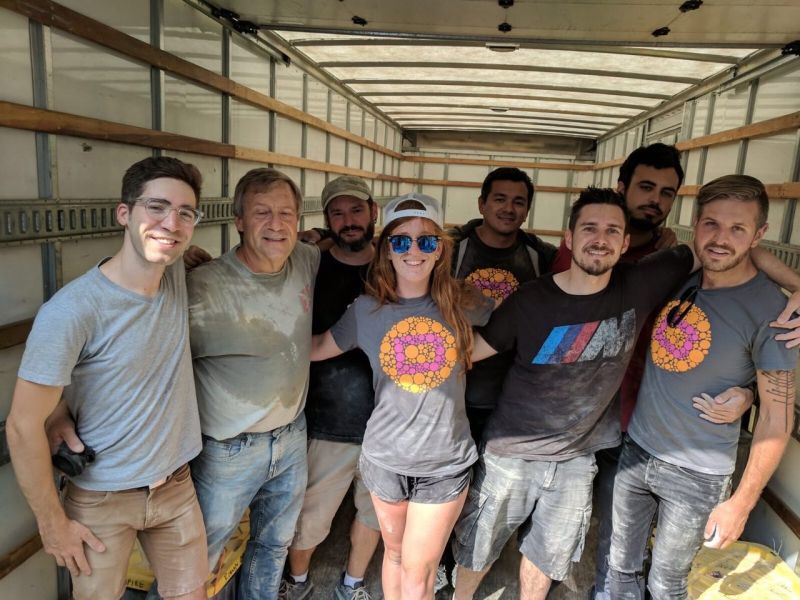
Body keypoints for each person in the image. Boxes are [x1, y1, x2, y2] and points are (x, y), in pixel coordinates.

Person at [452, 187, 699, 600]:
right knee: (478, 548)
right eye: (589, 228)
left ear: (625, 242)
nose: (600, 239)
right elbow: (471, 352)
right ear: (568, 238)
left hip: (577, 460)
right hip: (512, 452)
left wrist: (795, 287)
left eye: (612, 230)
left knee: (547, 557)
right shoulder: (530, 300)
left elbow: (716, 244)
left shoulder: (640, 283)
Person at [552, 143, 753, 600]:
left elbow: (740, 259)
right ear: (622, 187)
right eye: (645, 187)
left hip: (636, 419)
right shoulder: (582, 251)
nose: (655, 200)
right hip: (572, 420)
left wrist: (750, 390)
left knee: (620, 534)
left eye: (667, 193)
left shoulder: (681, 260)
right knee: (560, 522)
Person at [7, 156, 208, 600]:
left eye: (185, 212)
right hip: (101, 498)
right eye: (156, 207)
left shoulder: (176, 272)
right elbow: (22, 426)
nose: (171, 223)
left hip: (176, 487)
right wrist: (52, 524)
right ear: (124, 213)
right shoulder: (72, 311)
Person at [608, 175, 799, 599]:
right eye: (711, 224)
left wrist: (741, 504)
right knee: (620, 570)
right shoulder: (684, 274)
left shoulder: (774, 312)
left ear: (759, 234)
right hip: (637, 449)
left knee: (666, 584)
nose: (721, 239)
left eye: (738, 229)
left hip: (697, 474)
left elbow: (776, 418)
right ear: (695, 224)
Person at [311, 193, 493, 600]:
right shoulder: (365, 310)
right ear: (386, 249)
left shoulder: (464, 301)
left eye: (426, 241)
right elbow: (318, 346)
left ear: (440, 249)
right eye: (401, 241)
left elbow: (514, 325)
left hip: (443, 463)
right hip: (385, 458)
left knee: (418, 570)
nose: (414, 251)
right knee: (394, 555)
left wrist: (469, 352)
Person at [187, 168, 320, 599]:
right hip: (228, 450)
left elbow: (342, 242)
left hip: (292, 436)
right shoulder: (201, 286)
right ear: (239, 220)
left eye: (286, 213)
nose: (276, 224)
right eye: (262, 212)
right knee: (197, 560)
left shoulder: (306, 259)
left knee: (273, 546)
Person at [279, 176, 382, 600]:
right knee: (311, 516)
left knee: (373, 513)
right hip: (327, 420)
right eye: (337, 213)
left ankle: (352, 584)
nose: (348, 221)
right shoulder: (310, 264)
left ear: (373, 212)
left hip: (388, 423)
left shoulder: (395, 265)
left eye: (356, 210)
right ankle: (297, 581)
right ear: (326, 220)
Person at [450, 167, 557, 441]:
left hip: (514, 402)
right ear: (481, 204)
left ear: (527, 210)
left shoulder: (542, 257)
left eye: (518, 202)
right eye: (499, 199)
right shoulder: (451, 250)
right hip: (454, 398)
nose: (509, 209)